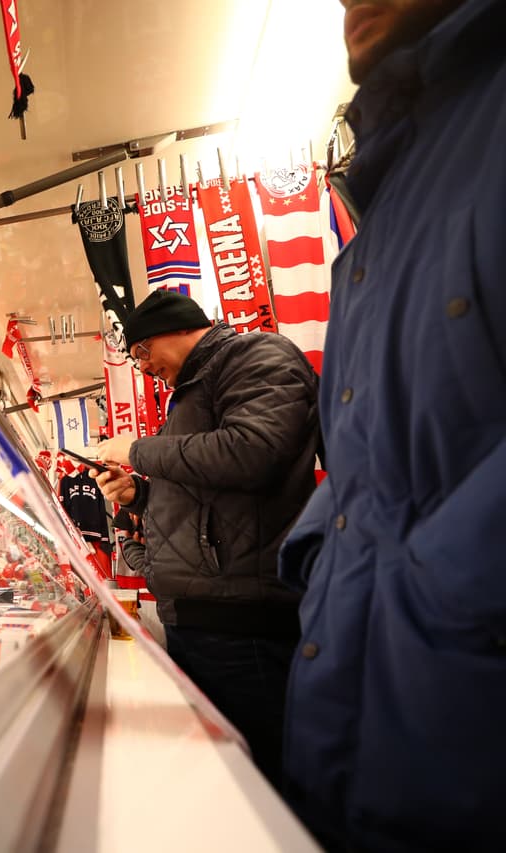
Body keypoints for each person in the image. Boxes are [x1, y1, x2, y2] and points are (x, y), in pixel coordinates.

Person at [278, 1, 506, 849]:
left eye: (146, 356)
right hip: (362, 734)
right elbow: (376, 440)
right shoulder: (396, 185)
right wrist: (327, 551)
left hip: (460, 755)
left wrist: (422, 584)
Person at [90, 289, 320, 785]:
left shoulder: (256, 355)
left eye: (141, 353)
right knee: (226, 777)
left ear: (173, 328)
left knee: (265, 781)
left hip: (244, 623)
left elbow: (254, 452)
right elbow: (208, 501)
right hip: (202, 618)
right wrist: (137, 498)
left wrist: (138, 451)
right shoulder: (192, 392)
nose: (143, 367)